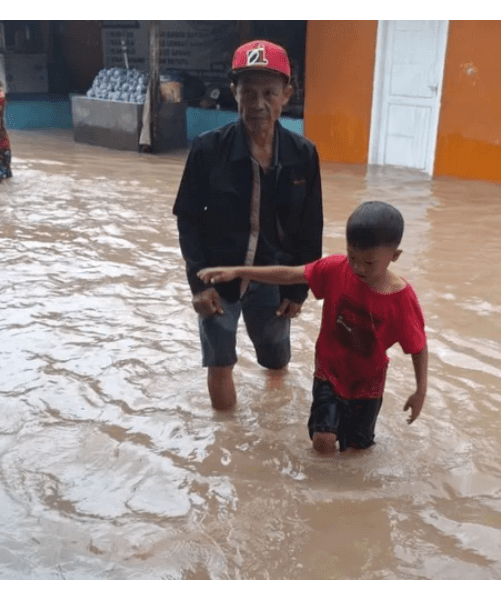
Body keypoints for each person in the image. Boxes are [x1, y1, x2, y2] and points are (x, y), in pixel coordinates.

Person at [198, 201, 428, 454]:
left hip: (367, 384)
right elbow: (289, 274)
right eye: (353, 257)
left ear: (394, 256)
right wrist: (239, 272)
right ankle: (319, 488)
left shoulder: (401, 300)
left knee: (357, 451)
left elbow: (418, 347)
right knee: (323, 439)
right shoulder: (336, 269)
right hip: (329, 373)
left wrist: (420, 390)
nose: (359, 268)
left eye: (370, 263)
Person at [173, 40, 324, 411]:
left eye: (269, 93)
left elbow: (311, 227)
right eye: (248, 92)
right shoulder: (208, 149)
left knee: (276, 361)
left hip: (273, 279)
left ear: (286, 95)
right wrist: (197, 283)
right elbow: (188, 219)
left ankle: (271, 428)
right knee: (219, 360)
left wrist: (298, 291)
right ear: (234, 93)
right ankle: (226, 445)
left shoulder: (303, 155)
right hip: (218, 279)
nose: (258, 104)